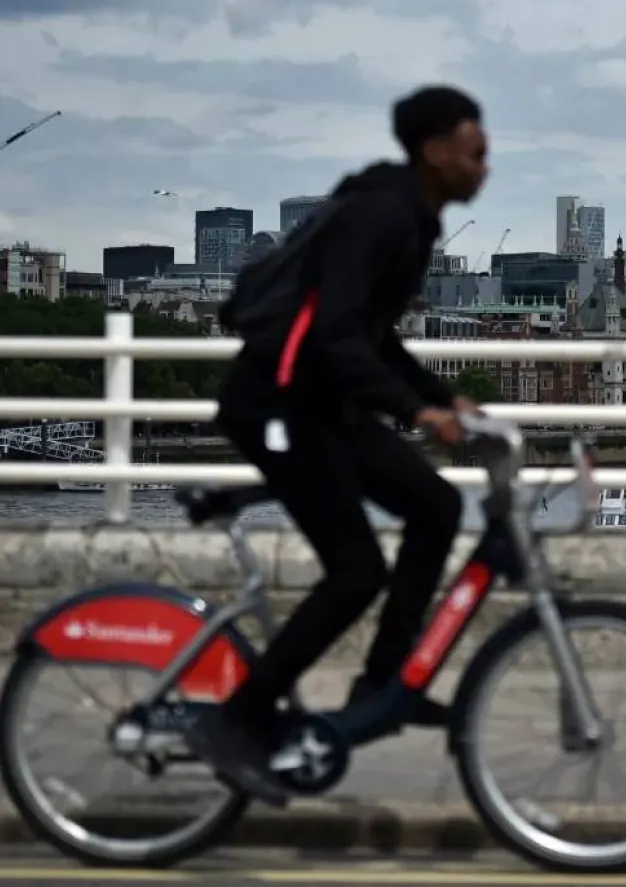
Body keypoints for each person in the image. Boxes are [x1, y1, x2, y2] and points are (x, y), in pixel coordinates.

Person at [183, 86, 490, 806]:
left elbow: (374, 338)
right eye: (476, 153)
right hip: (278, 405)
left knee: (437, 508)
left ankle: (386, 683)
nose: (485, 168)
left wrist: (443, 401)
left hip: (324, 404)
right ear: (435, 150)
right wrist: (417, 411)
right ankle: (239, 719)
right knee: (355, 572)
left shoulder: (411, 218)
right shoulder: (382, 216)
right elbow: (337, 337)